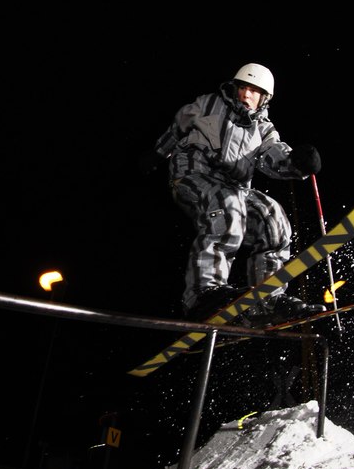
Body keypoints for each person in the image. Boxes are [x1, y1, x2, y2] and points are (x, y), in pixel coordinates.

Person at [140, 62, 327, 322]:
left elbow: (272, 154)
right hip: (192, 176)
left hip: (234, 190)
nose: (247, 95)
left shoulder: (263, 128)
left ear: (264, 98)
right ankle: (203, 293)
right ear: (235, 88)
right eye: (243, 88)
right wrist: (157, 154)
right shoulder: (208, 105)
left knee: (273, 218)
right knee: (226, 207)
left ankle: (267, 301)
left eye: (255, 92)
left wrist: (295, 163)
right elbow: (177, 127)